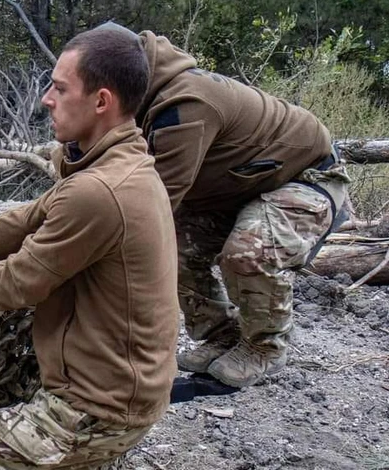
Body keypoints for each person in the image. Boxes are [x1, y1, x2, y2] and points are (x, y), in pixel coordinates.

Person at [0, 27, 179, 469]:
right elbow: (25, 219)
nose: (45, 99)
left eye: (59, 88)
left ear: (101, 101)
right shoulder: (117, 165)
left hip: (96, 411)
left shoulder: (101, 190)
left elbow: (22, 279)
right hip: (122, 392)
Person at [126, 24, 351, 388]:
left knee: (248, 251)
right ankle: (221, 335)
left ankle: (264, 348)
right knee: (176, 246)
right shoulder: (141, 100)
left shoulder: (185, 104)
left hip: (307, 177)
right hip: (240, 185)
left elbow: (156, 201)